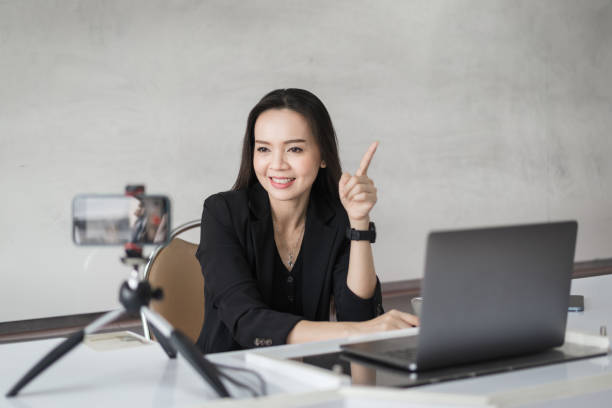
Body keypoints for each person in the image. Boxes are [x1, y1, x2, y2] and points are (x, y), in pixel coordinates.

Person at [195, 89, 419, 354]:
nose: (277, 164)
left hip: (310, 378)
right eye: (264, 149)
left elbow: (359, 316)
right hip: (228, 377)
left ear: (323, 155)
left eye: (294, 149)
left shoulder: (335, 215)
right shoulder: (222, 213)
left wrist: (358, 221)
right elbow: (248, 322)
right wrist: (358, 331)